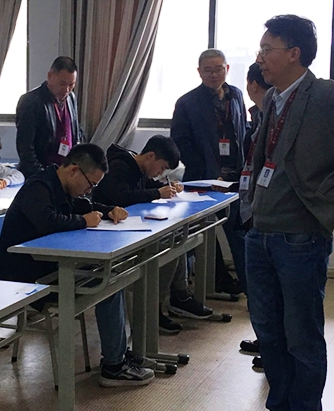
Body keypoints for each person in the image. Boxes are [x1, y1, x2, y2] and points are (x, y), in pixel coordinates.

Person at [247, 14, 334, 410]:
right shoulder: (272, 98)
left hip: (300, 236)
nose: (260, 58)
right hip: (260, 232)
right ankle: (279, 404)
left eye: (267, 49)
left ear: (294, 53)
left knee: (301, 335)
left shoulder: (328, 97)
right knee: (269, 333)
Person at [0, 144, 155, 387]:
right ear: (75, 170)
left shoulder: (61, 186)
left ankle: (117, 355)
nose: (90, 190)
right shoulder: (39, 187)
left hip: (47, 266)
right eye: (91, 184)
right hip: (24, 277)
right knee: (108, 283)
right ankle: (113, 366)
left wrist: (108, 211)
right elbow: (48, 221)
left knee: (113, 276)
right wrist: (83, 222)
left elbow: (83, 206)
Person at [92, 135, 212, 330]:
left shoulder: (139, 168)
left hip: (129, 229)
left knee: (177, 237)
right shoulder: (119, 166)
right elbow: (122, 197)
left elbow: (147, 185)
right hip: (112, 236)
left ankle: (180, 295)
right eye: (161, 168)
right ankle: (153, 308)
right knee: (168, 247)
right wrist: (158, 193)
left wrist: (167, 188)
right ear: (150, 156)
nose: (160, 173)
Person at [170, 48, 247, 295]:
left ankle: (252, 289)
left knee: (239, 232)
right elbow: (180, 143)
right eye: (208, 70)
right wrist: (208, 174)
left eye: (218, 69)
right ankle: (215, 281)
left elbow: (242, 132)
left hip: (234, 178)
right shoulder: (187, 102)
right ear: (199, 72)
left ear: (227, 69)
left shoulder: (236, 95)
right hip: (202, 179)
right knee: (202, 232)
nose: (214, 75)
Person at [238, 63, 270, 368]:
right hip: (252, 205)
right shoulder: (257, 114)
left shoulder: (275, 114)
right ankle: (266, 340)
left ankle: (273, 348)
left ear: (252, 84)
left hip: (268, 209)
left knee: (270, 290)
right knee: (260, 288)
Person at [15, 56, 85, 179]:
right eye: (62, 83)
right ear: (50, 76)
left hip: (66, 172)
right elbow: (25, 148)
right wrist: (43, 177)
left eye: (71, 85)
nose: (66, 89)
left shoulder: (71, 98)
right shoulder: (31, 101)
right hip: (42, 173)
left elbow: (76, 131)